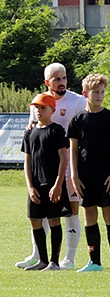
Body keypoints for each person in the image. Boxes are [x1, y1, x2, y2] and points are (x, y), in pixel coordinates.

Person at [17, 63, 86, 270]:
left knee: (71, 210)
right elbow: (32, 130)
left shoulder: (77, 101)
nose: (62, 82)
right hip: (44, 168)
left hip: (69, 164)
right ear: (47, 82)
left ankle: (68, 258)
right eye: (57, 79)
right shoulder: (39, 102)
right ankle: (38, 255)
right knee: (39, 211)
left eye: (64, 78)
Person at [67, 74, 110, 273]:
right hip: (84, 176)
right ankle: (95, 262)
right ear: (85, 94)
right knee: (89, 215)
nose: (100, 95)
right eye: (96, 92)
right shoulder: (77, 119)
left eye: (102, 92)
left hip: (106, 176)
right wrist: (74, 176)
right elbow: (73, 150)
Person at [21, 93, 72, 270]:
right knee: (35, 220)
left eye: (43, 107)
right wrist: (29, 186)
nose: (39, 111)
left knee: (54, 220)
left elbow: (64, 159)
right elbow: (27, 161)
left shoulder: (56, 131)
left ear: (52, 109)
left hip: (53, 185)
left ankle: (54, 262)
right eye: (37, 107)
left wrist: (58, 184)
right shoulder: (29, 133)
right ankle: (42, 260)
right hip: (35, 185)